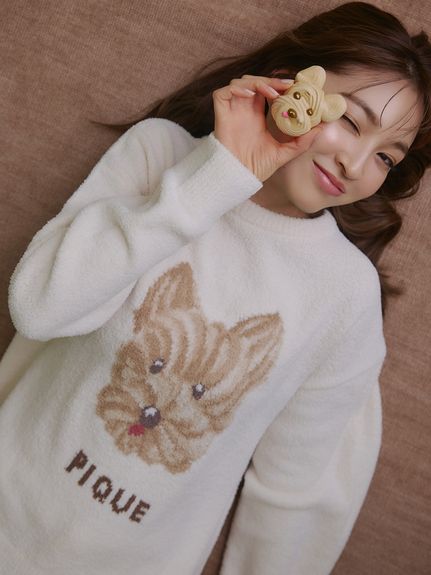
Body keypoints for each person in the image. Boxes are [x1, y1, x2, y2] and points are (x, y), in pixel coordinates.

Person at [0, 2, 430, 574]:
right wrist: (219, 174)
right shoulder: (158, 155)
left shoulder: (345, 296)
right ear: (289, 82)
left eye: (385, 158)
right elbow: (40, 308)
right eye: (351, 121)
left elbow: (296, 494)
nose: (355, 164)